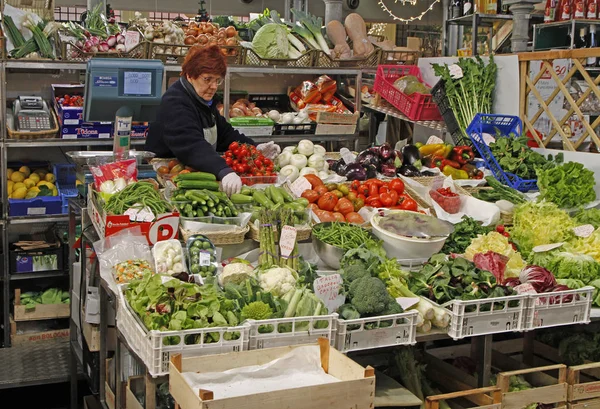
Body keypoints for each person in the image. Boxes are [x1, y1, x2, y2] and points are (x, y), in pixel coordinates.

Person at [146, 45, 280, 195]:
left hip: (192, 173)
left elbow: (224, 134)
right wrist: (223, 170)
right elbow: (192, 145)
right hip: (166, 178)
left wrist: (254, 147)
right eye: (207, 79)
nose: (213, 86)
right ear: (190, 75)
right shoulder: (175, 102)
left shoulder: (203, 101)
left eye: (217, 80)